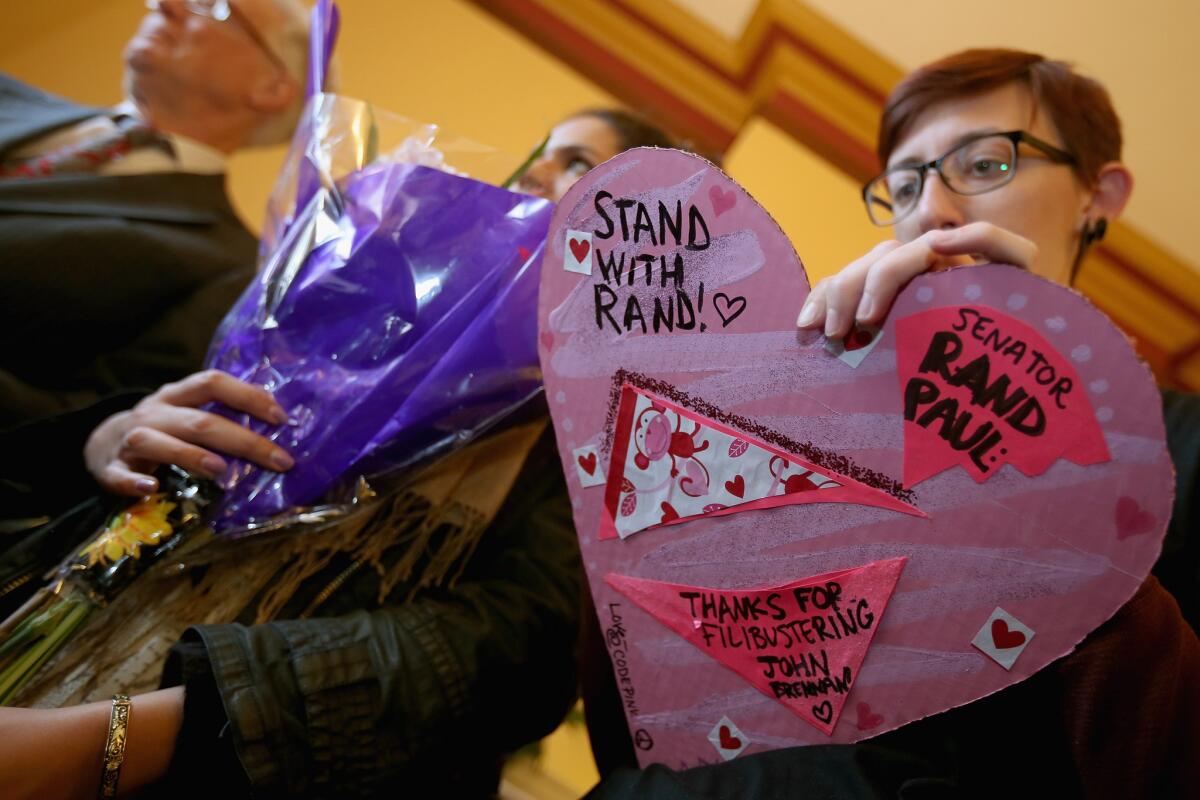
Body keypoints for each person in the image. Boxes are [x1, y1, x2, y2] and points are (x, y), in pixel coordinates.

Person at [0, 108, 678, 799]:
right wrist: (104, 437)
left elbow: (512, 657)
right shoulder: (358, 294)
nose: (534, 168)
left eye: (575, 165)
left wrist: (124, 736)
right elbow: (113, 435)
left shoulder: (612, 448)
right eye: (542, 146)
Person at [585, 49, 1198, 799]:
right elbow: (640, 698)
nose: (931, 209)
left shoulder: (1186, 450)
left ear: (1097, 195)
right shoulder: (835, 408)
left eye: (985, 163)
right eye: (906, 183)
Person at [0, 0, 311, 428]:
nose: (166, 5)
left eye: (211, 6)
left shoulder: (230, 276)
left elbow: (85, 425)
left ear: (271, 88)